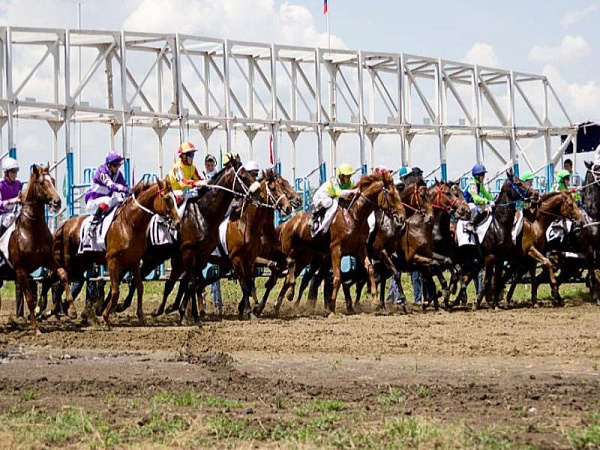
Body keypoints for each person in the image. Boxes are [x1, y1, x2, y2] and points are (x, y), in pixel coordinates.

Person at [85, 151, 130, 237]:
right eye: (115, 165)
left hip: (105, 205)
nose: (117, 167)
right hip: (93, 203)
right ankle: (93, 224)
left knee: (122, 200)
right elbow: (111, 185)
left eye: (119, 165)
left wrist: (130, 191)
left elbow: (125, 185)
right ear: (109, 164)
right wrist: (124, 189)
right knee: (107, 200)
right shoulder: (101, 171)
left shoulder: (118, 174)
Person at [309, 163, 359, 234]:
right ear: (341, 176)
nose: (349, 178)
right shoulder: (334, 180)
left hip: (333, 197)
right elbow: (338, 192)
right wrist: (352, 191)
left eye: (350, 176)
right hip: (321, 197)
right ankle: (314, 216)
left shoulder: (350, 183)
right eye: (347, 176)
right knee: (329, 202)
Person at [463, 164, 494, 232]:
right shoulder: (472, 183)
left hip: (473, 203)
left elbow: (485, 193)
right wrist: (487, 201)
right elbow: (476, 198)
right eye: (482, 175)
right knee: (479, 209)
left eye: (484, 174)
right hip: (466, 203)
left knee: (489, 207)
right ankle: (469, 224)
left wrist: (493, 199)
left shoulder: (480, 183)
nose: (484, 177)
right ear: (477, 176)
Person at [0, 157, 22, 236]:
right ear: (6, 173)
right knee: (9, 218)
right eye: (13, 172)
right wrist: (11, 201)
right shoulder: (1, 184)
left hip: (15, 212)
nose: (15, 174)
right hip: (2, 215)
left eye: (16, 172)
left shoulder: (18, 184)